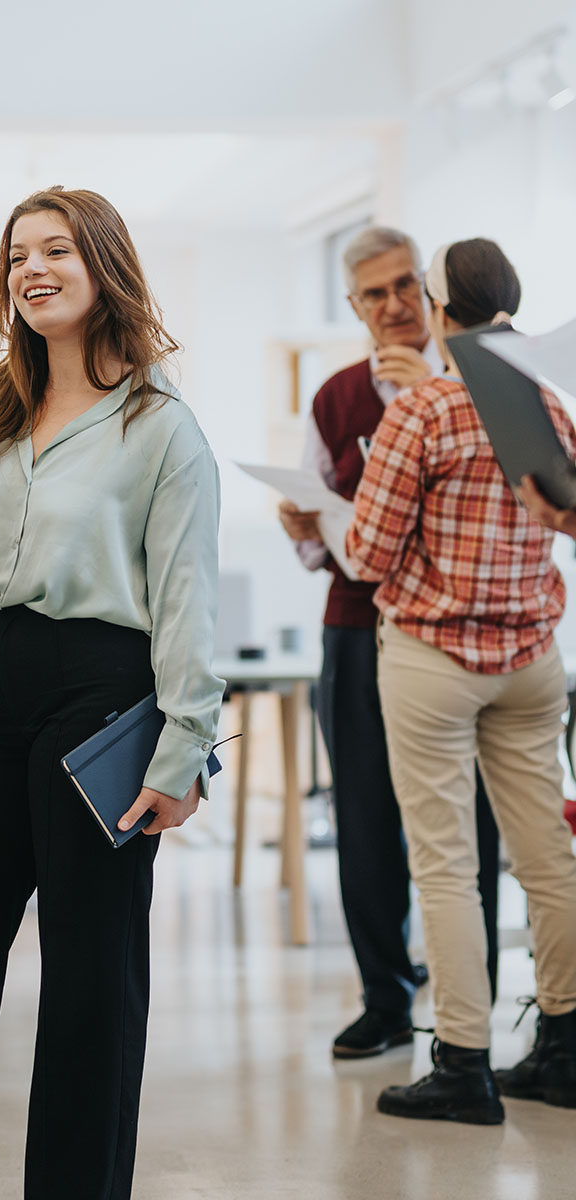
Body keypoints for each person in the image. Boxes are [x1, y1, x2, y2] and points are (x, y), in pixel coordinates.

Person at [0, 186, 223, 1200]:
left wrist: (182, 751)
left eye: (57, 251)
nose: (32, 269)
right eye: (18, 255)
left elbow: (187, 603)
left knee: (88, 982)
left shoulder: (163, 429)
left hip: (101, 699)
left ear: (103, 264)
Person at [346, 238, 576, 1124]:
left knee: (445, 865)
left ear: (441, 315)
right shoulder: (554, 406)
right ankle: (562, 1046)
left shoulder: (424, 409)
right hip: (531, 660)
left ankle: (465, 1064)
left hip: (435, 661)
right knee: (546, 857)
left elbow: (366, 554)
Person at [276, 225, 501, 1059]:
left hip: (453, 635)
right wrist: (302, 523)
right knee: (365, 817)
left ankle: (465, 1005)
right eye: (376, 294)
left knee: (466, 821)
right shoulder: (334, 397)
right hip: (357, 626)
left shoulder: (480, 383)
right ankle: (384, 996)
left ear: (432, 293)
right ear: (355, 308)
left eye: (408, 286)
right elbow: (317, 542)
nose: (396, 305)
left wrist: (426, 399)